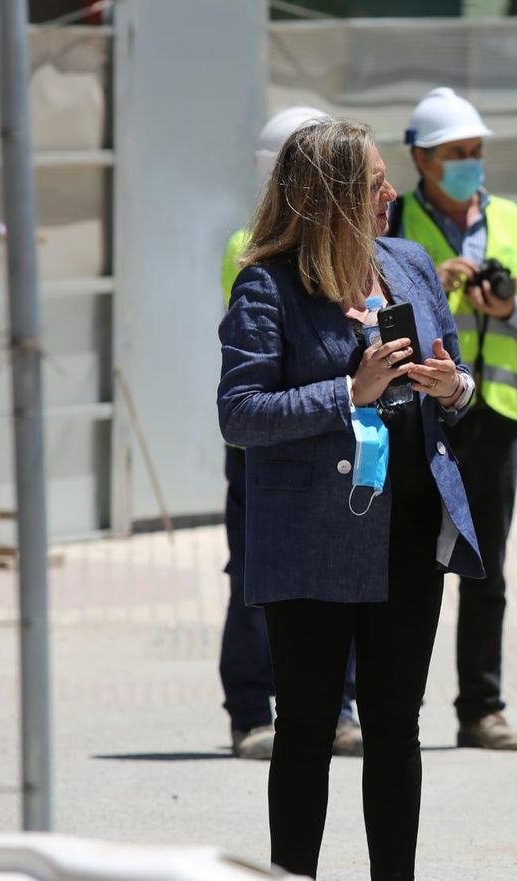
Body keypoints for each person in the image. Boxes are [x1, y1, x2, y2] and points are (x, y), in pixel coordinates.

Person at [218, 118, 484, 881]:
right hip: (312, 540)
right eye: (374, 183)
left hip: (407, 529)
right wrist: (349, 391)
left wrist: (453, 388)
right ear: (332, 196)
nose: (392, 194)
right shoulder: (268, 282)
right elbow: (240, 413)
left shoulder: (406, 264)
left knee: (396, 727)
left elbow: (458, 381)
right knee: (305, 729)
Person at [388, 87, 517, 752]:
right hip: (417, 412)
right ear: (422, 159)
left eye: (476, 153)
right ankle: (385, 701)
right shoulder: (396, 219)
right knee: (403, 559)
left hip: (494, 412)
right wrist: (433, 277)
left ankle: (480, 708)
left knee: (486, 565)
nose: (470, 164)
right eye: (457, 154)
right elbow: (369, 300)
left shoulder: (510, 218)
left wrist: (508, 310)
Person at [218, 105, 361, 761]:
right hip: (265, 455)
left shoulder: (363, 257)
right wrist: (348, 390)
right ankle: (252, 712)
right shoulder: (254, 262)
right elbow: (252, 391)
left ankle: (339, 705)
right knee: (256, 586)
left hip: (340, 450)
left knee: (344, 580)